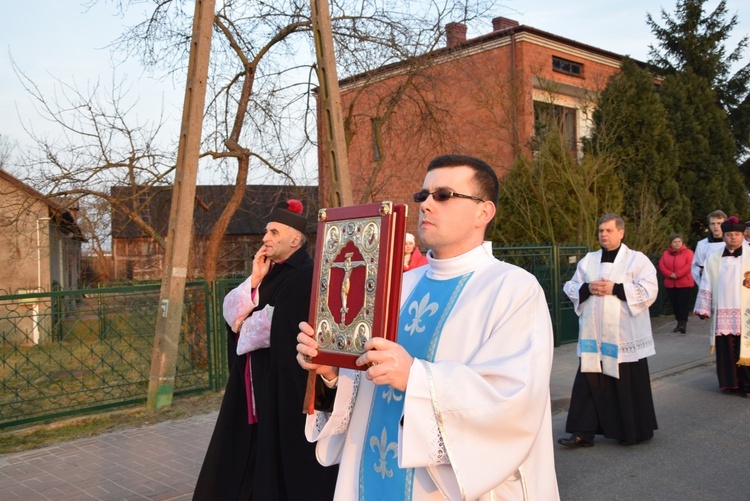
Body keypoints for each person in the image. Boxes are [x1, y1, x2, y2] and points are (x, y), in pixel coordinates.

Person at [296, 154, 559, 500]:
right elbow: (365, 385)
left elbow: (515, 400)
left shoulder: (512, 289)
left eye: (444, 195)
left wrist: (416, 378)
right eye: (423, 196)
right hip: (369, 475)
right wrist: (333, 373)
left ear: (484, 212)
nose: (426, 205)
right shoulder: (396, 285)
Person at [193, 199, 338, 500]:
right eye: (266, 232)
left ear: (295, 239)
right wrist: (255, 279)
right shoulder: (268, 273)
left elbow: (266, 329)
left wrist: (245, 321)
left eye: (273, 232)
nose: (265, 238)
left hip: (285, 387)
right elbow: (230, 312)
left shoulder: (307, 275)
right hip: (253, 385)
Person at [558, 213, 658, 448]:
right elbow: (570, 285)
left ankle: (631, 431)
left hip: (624, 335)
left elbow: (649, 290)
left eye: (609, 230)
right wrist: (587, 287)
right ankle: (582, 432)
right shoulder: (589, 260)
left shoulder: (636, 260)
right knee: (588, 383)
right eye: (601, 230)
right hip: (594, 336)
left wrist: (616, 288)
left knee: (626, 383)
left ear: (621, 233)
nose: (603, 234)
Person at [693, 216, 750, 398]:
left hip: (746, 311)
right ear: (724, 236)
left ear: (743, 235)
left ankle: (748, 385)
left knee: (746, 347)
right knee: (725, 347)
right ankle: (729, 383)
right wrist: (704, 307)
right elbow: (706, 281)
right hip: (723, 309)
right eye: (729, 234)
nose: (733, 237)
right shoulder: (714, 257)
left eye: (737, 234)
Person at [658, 233, 695, 333]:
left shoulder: (689, 253)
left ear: (682, 242)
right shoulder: (665, 254)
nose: (677, 244)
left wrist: (677, 274)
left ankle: (683, 323)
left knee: (683, 304)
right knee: (675, 304)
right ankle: (678, 322)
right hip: (670, 283)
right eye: (675, 242)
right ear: (671, 244)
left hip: (684, 283)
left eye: (679, 242)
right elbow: (661, 265)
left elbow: (689, 265)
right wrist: (670, 274)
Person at [691, 210, 727, 285]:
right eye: (713, 224)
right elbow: (696, 266)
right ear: (709, 225)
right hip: (709, 284)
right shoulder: (702, 244)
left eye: (719, 223)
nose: (716, 226)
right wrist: (701, 271)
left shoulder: (732, 244)